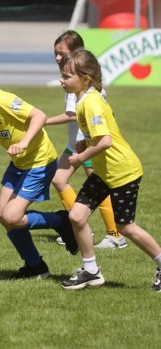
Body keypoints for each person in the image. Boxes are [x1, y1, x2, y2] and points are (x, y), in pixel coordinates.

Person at [0, 56, 77, 279]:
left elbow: (39, 115)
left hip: (39, 160)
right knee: (2, 215)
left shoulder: (1, 99)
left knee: (12, 216)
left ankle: (61, 221)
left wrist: (25, 142)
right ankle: (36, 266)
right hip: (19, 164)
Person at [57, 49, 161, 291]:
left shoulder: (91, 103)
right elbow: (100, 137)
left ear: (85, 78)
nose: (61, 80)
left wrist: (80, 156)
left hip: (123, 172)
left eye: (66, 76)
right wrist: (85, 143)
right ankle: (91, 271)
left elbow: (106, 142)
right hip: (106, 172)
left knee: (125, 226)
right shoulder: (85, 99)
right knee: (76, 216)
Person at [46, 30, 126, 249]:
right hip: (75, 143)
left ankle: (116, 235)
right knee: (59, 180)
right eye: (55, 53)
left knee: (99, 187)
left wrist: (44, 120)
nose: (57, 57)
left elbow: (72, 114)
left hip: (88, 144)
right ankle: (79, 229)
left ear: (77, 54)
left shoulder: (78, 83)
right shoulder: (71, 81)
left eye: (61, 53)